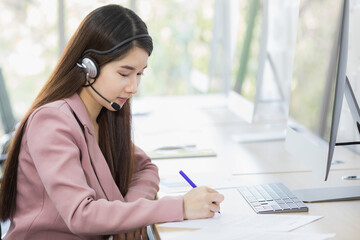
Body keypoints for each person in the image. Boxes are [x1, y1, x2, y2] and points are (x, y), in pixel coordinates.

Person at [0, 4, 224, 240]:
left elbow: (145, 168)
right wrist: (180, 207)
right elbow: (81, 214)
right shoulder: (52, 122)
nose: (133, 87)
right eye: (124, 73)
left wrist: (132, 212)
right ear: (89, 67)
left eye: (139, 74)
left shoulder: (103, 115)